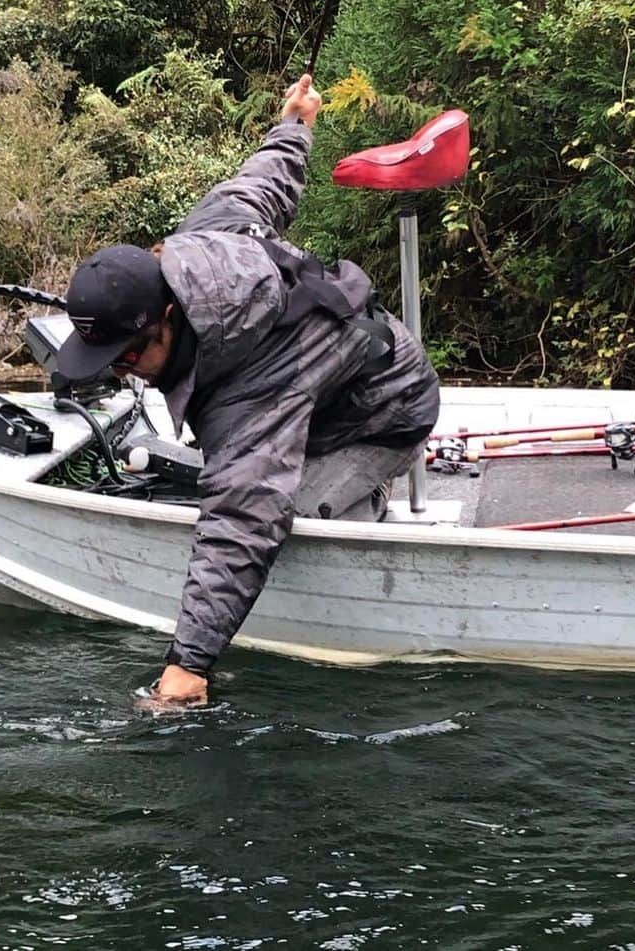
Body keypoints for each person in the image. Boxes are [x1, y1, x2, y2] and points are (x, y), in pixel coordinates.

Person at [55, 74, 440, 707]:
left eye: (127, 355)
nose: (123, 371)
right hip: (334, 384)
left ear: (169, 320)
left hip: (385, 411)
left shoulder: (256, 382)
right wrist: (295, 123)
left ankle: (366, 495)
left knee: (287, 516)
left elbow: (241, 518)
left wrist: (187, 665)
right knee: (237, 475)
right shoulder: (199, 241)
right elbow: (264, 180)